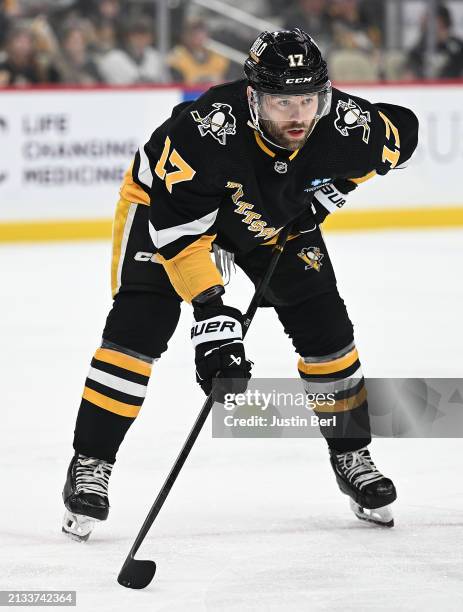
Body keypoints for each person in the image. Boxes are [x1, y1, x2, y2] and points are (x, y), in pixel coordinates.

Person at [62, 28, 419, 541]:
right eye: (280, 102)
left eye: (307, 99)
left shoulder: (344, 124)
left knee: (328, 333)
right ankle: (90, 464)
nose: (297, 115)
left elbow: (402, 137)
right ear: (253, 97)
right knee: (137, 330)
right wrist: (212, 315)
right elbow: (180, 236)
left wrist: (331, 192)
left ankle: (352, 455)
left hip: (269, 220)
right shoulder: (203, 133)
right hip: (165, 214)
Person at [406, 3, 463, 79]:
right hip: (426, 89)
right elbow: (411, 73)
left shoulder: (457, 46)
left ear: (442, 20)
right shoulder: (419, 48)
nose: (424, 21)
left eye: (429, 18)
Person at [167, 18, 230, 85]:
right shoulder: (178, 55)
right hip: (188, 93)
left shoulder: (219, 56)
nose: (200, 39)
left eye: (202, 34)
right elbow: (175, 83)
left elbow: (228, 80)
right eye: (195, 35)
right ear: (186, 36)